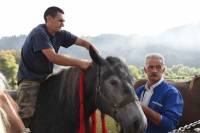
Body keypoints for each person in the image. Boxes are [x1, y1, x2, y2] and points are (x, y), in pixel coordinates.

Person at [16, 6, 98, 128]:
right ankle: (21, 130)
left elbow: (84, 43)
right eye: (60, 21)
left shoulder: (61, 34)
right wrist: (81, 63)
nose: (63, 24)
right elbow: (53, 57)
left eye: (63, 21)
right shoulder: (39, 33)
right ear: (49, 19)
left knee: (60, 106)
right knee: (26, 114)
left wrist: (97, 58)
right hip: (30, 79)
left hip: (46, 77)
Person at [135, 53, 184, 133]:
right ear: (145, 70)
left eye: (158, 67)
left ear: (163, 70)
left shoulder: (172, 93)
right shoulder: (139, 91)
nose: (154, 70)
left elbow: (170, 126)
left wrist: (142, 108)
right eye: (151, 67)